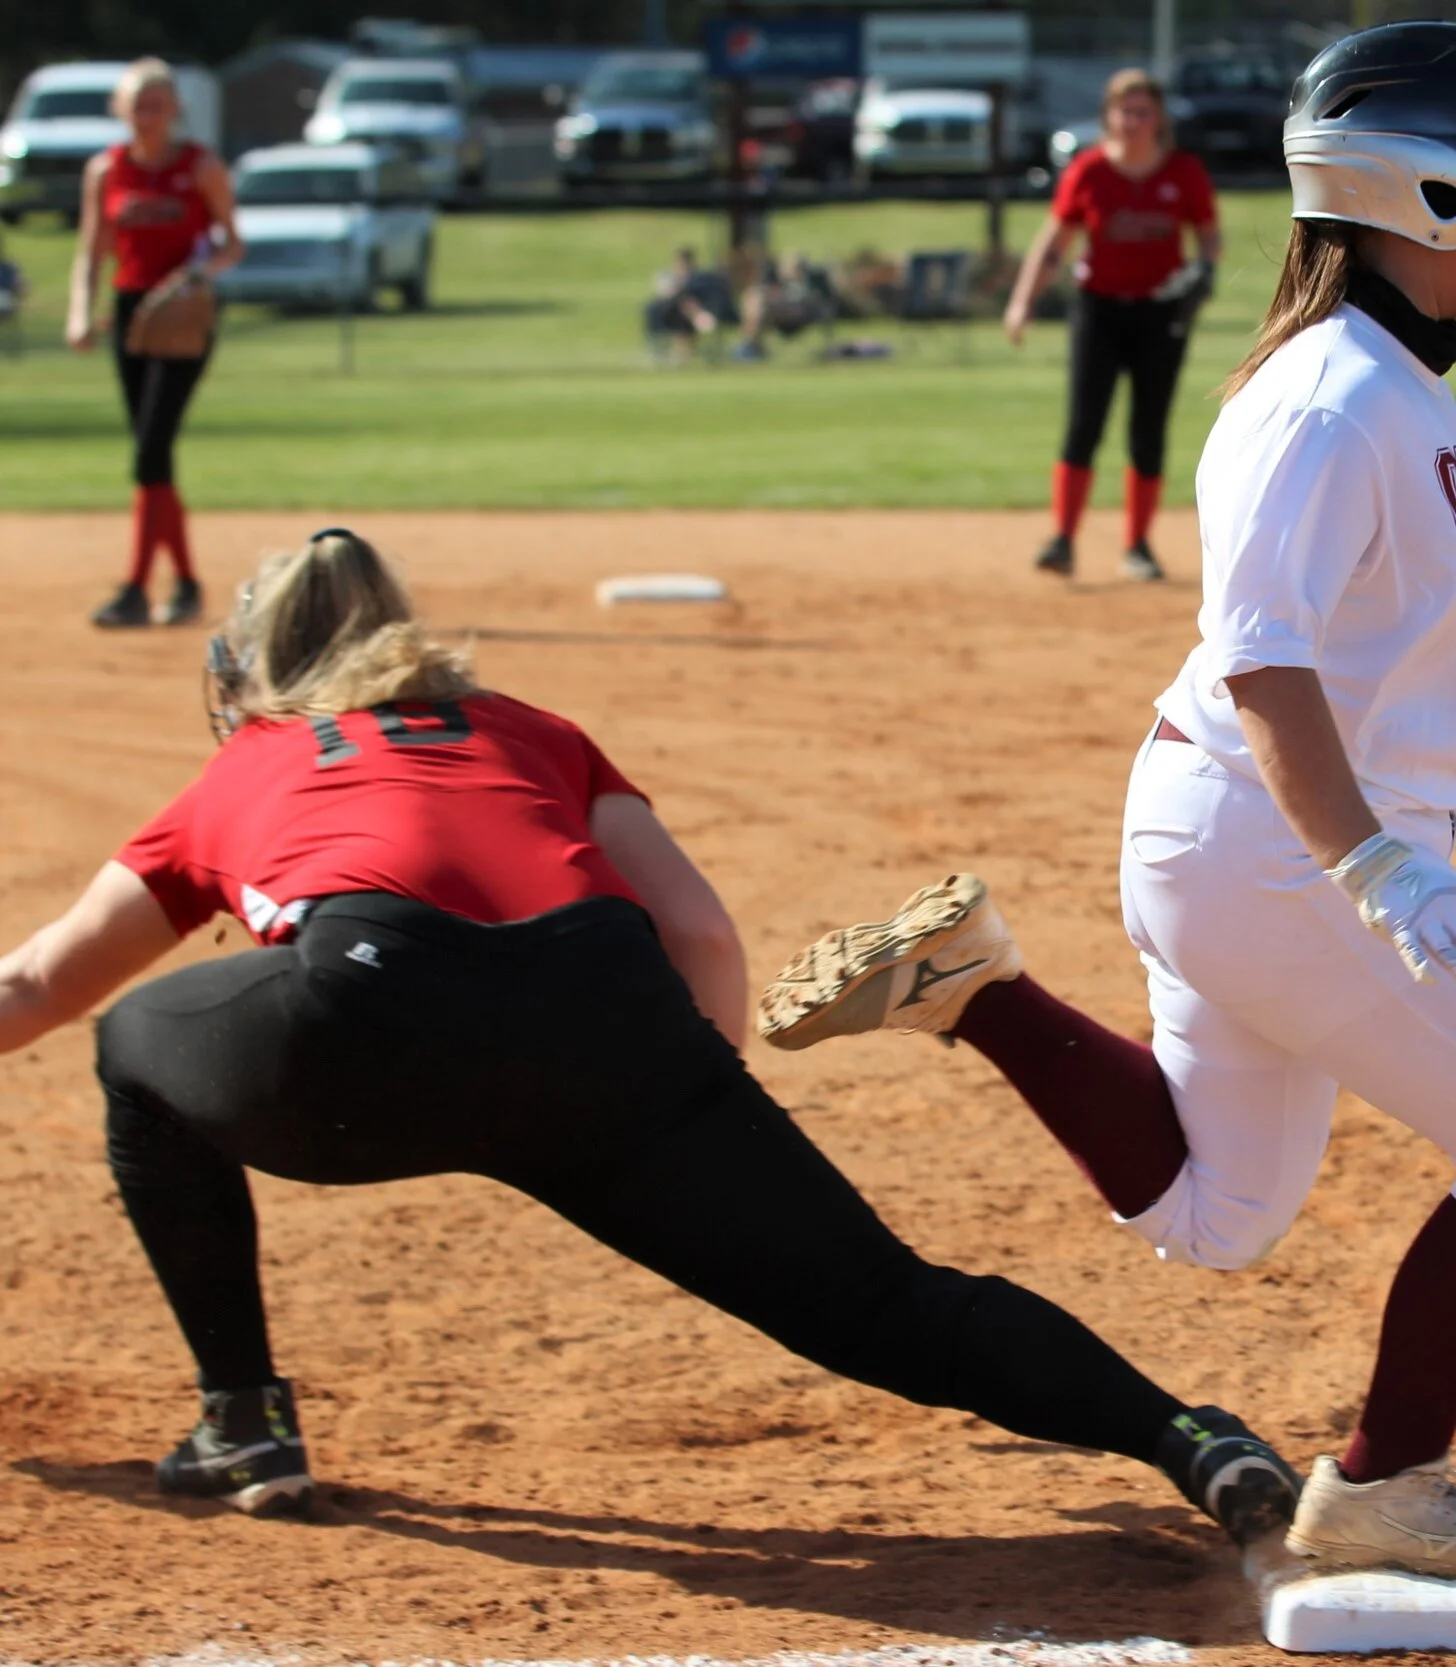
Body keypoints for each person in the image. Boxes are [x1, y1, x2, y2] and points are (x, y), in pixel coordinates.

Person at [757, 22, 1456, 1585]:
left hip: (1243, 837)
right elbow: (1264, 662)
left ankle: (978, 990)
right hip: (1281, 848)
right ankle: (1386, 1482)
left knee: (1221, 1214)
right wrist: (1376, 864)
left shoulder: (1392, 382)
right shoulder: (1329, 398)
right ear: (1414, 190)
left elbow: (1382, 648)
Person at [0, 529, 1297, 1545]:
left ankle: (243, 1416)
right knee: (883, 1303)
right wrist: (693, 1106)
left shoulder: (248, 762)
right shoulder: (531, 730)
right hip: (612, 1027)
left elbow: (39, 982)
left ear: (247, 675)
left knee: (135, 1045)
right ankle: (1191, 1439)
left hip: (366, 1027)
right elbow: (701, 932)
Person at [1006, 69, 1221, 583]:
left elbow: (1209, 234)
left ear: (1158, 118)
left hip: (1161, 312)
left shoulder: (1183, 172)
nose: (1132, 121)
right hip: (1098, 310)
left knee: (1148, 429)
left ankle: (1138, 546)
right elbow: (1055, 241)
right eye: (1124, 111)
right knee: (1084, 425)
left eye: (1142, 111)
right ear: (1108, 116)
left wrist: (1205, 270)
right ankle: (1063, 539)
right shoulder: (1089, 171)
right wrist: (1022, 300)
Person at [64, 58, 242, 631]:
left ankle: (137, 588)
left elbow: (232, 243)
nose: (148, 115)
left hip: (184, 313)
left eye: (158, 105)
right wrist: (80, 312)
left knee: (150, 450)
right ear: (120, 110)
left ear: (175, 110)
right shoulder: (106, 169)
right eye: (138, 105)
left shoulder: (201, 167)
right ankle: (185, 584)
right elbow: (92, 249)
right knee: (153, 453)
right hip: (130, 313)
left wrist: (198, 275)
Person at [644, 246, 726, 364]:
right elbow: (664, 295)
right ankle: (680, 351)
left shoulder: (699, 279)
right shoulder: (669, 277)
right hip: (672, 312)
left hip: (688, 313)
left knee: (686, 312)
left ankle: (684, 351)